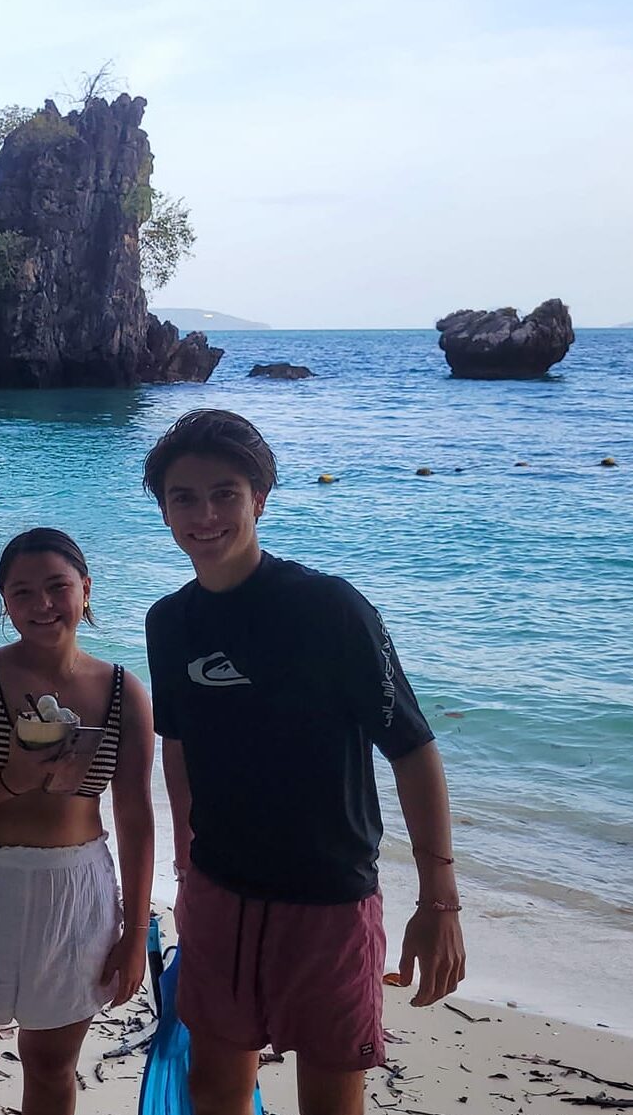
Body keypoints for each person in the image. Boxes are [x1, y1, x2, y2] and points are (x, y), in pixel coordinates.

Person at [143, 409, 465, 1115]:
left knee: (329, 1095)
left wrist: (438, 901)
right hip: (219, 892)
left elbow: (411, 748)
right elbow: (178, 742)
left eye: (224, 493)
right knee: (213, 1089)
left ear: (259, 498)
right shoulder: (168, 621)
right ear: (163, 509)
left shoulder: (328, 608)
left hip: (328, 900)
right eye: (183, 497)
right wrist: (185, 862)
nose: (205, 514)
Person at [0, 528, 156, 1115]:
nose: (42, 605)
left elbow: (136, 816)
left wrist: (135, 934)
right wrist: (10, 779)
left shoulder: (124, 691)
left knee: (51, 1071)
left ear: (86, 590)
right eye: (22, 592)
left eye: (57, 587)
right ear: (4, 602)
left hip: (76, 893)